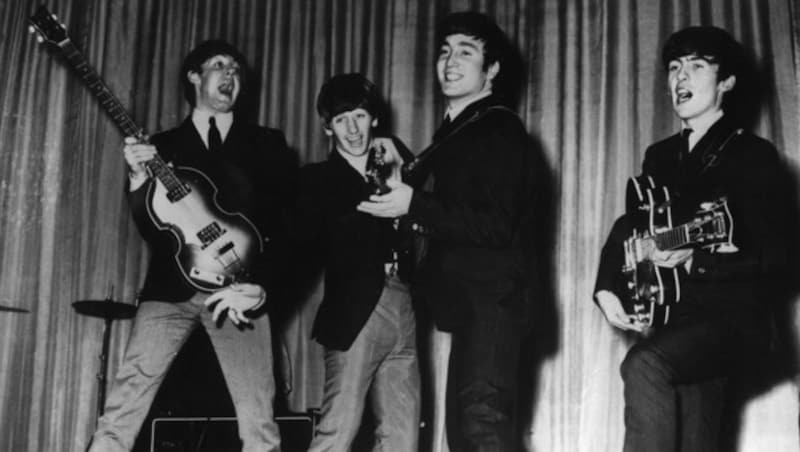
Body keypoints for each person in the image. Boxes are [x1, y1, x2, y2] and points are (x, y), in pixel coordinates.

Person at [86, 40, 296, 452]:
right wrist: (137, 179)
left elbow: (289, 228)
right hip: (170, 288)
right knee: (123, 407)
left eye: (237, 68)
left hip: (239, 292)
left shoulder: (268, 144)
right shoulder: (161, 146)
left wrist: (263, 287)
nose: (231, 74)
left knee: (259, 422)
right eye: (219, 65)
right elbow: (153, 227)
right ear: (194, 76)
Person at [593, 26, 788, 452]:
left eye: (697, 66)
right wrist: (606, 286)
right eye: (675, 67)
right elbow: (632, 227)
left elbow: (779, 258)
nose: (680, 78)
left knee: (643, 365)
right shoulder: (659, 157)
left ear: (727, 83)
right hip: (678, 321)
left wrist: (694, 262)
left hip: (735, 322)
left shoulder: (752, 155)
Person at [358, 12, 539, 451]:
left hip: (493, 303)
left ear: (492, 69)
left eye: (466, 51)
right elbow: (455, 203)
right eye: (444, 51)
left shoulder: (498, 127)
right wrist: (406, 175)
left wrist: (413, 202)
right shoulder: (457, 131)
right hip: (474, 305)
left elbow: (497, 224)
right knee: (466, 433)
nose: (450, 60)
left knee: (481, 427)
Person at [293, 73, 420, 451]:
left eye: (360, 116)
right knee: (337, 433)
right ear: (327, 128)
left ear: (374, 118)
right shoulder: (316, 180)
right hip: (355, 313)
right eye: (341, 119)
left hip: (405, 305)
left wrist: (401, 166)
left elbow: (434, 212)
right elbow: (299, 246)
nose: (352, 129)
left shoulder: (399, 166)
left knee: (403, 438)